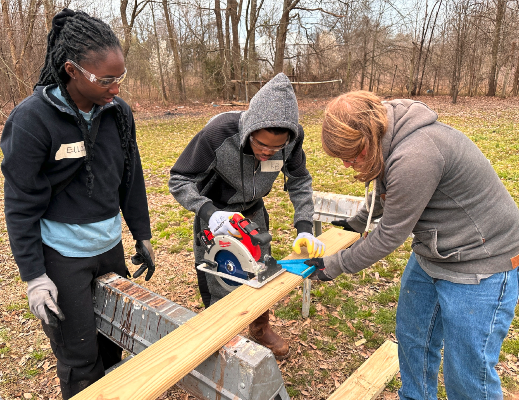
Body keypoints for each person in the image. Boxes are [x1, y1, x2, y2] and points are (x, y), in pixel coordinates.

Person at [306, 91, 519, 400]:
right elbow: (387, 190)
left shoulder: (416, 155)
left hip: (482, 262)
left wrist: (333, 265)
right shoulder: (387, 136)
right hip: (436, 252)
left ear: (368, 138)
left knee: (467, 373)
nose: (348, 164)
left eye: (352, 156)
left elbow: (388, 236)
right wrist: (358, 222)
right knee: (414, 340)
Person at [1, 9, 155, 398]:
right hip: (62, 258)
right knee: (80, 355)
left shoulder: (118, 113)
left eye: (120, 78)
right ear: (71, 70)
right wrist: (34, 277)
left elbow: (130, 178)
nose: (115, 88)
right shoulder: (32, 121)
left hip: (109, 248)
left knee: (113, 339)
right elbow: (20, 204)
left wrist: (142, 234)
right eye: (106, 80)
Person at [169, 73, 324, 359]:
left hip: (253, 212)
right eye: (261, 144)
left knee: (260, 273)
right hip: (215, 215)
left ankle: (260, 328)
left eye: (276, 148)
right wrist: (209, 213)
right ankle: (221, 339)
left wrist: (304, 227)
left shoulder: (293, 138)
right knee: (220, 277)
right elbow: (179, 179)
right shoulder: (218, 133)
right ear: (249, 130)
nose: (267, 153)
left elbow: (300, 180)